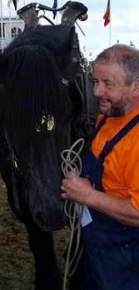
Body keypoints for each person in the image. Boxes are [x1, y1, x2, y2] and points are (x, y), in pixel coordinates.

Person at [61, 44, 139, 290]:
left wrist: (87, 195)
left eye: (107, 83)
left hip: (125, 259)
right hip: (94, 247)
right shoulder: (107, 117)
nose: (96, 91)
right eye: (95, 81)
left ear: (136, 86)